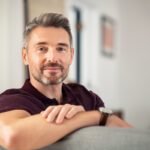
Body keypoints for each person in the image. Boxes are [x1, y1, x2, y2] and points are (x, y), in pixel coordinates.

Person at [0, 13, 133, 150]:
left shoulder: (86, 96)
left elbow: (129, 138)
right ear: (25, 56)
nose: (52, 58)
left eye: (61, 49)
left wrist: (100, 117)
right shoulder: (13, 100)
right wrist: (93, 116)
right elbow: (11, 137)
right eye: (42, 49)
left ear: (71, 55)